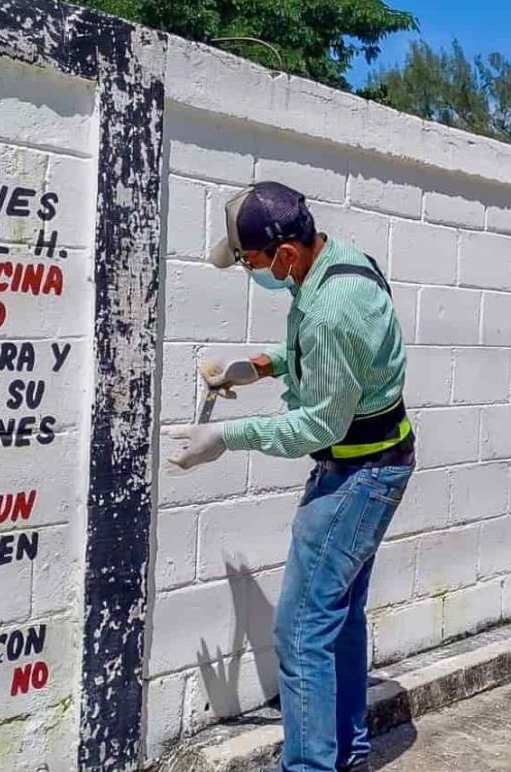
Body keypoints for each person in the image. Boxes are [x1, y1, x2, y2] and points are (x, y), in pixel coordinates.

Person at [166, 181, 414, 772]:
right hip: (380, 460)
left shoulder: (330, 307)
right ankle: (347, 751)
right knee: (338, 617)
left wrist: (226, 436)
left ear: (283, 254)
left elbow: (321, 426)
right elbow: (326, 354)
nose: (250, 271)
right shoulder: (338, 262)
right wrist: (260, 364)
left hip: (359, 472)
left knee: (301, 631)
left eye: (251, 262)